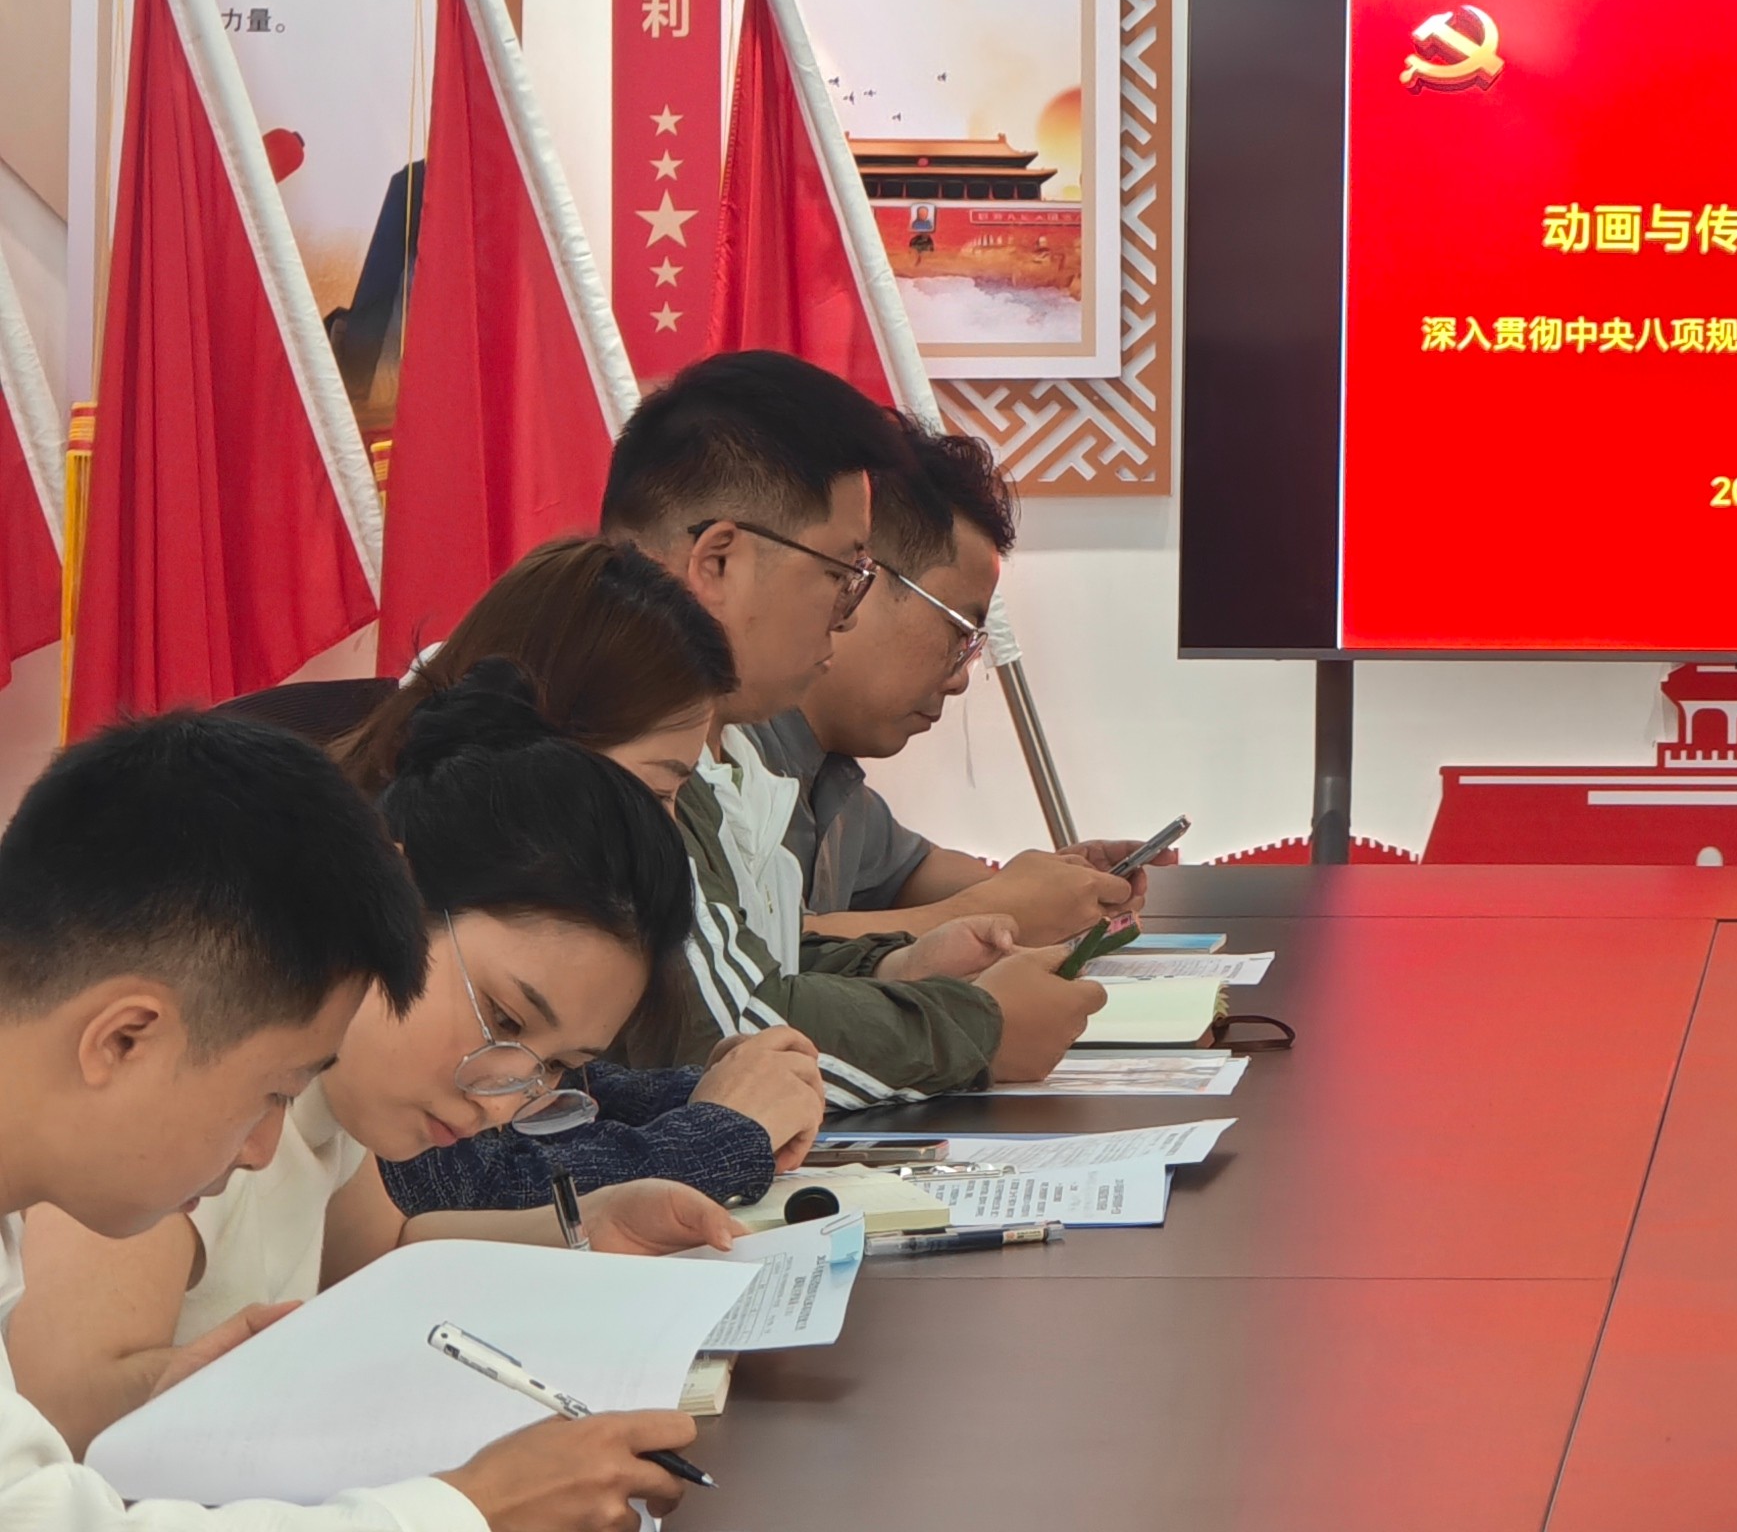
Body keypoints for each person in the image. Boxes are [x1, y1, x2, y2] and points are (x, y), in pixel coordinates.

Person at [0, 709, 693, 1530]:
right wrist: (470, 1509)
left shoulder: (253, 1104)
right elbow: (50, 1459)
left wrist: (584, 1226)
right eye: (505, 1020)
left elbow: (382, 1255)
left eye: (553, 1067)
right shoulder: (159, 1126)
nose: (506, 1099)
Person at [599, 353, 1103, 1096]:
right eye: (843, 574)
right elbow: (722, 1036)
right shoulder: (603, 734)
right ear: (719, 563)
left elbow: (761, 964)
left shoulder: (716, 747)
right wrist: (978, 1029)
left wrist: (904, 966)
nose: (846, 613)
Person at [332, 542, 819, 1215]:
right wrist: (720, 1133)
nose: (668, 834)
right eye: (655, 792)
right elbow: (455, 1188)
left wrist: (699, 1094)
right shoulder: (328, 933)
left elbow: (551, 1080)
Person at [747, 429, 1146, 946]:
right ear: (858, 576)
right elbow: (753, 951)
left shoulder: (828, 773)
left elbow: (912, 872)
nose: (960, 679)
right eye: (958, 632)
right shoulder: (715, 749)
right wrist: (993, 910)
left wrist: (1049, 887)